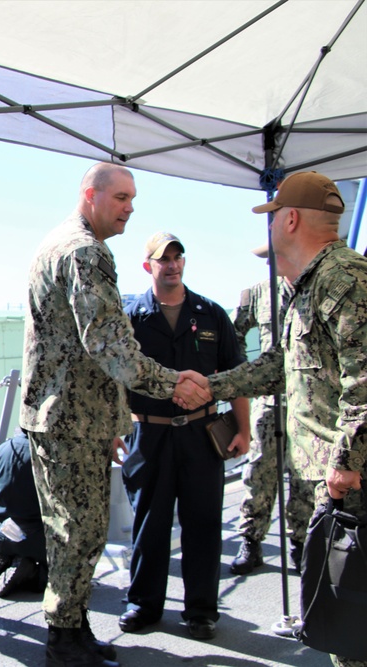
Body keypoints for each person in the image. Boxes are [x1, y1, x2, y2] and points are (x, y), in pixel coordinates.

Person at [20, 161, 213, 667]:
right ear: (91, 194)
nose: (130, 209)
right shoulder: (85, 251)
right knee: (76, 532)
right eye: (122, 198)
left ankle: (73, 626)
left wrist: (111, 421)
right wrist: (176, 383)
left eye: (133, 199)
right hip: (68, 421)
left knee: (78, 531)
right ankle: (63, 641)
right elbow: (110, 347)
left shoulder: (60, 243)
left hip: (72, 417)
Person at [205, 171, 365, 667]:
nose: (268, 229)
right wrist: (212, 387)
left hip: (349, 484)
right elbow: (282, 364)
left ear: (290, 218)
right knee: (342, 625)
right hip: (331, 482)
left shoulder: (346, 280)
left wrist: (344, 468)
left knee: (355, 625)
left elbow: (365, 385)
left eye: (271, 218)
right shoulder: (309, 287)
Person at [118, 232, 249, 641]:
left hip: (200, 434)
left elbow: (236, 372)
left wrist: (244, 428)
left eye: (177, 257)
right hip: (148, 435)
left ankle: (201, 611)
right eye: (163, 259)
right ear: (148, 267)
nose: (172, 264)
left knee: (204, 524)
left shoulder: (210, 313)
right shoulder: (128, 316)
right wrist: (111, 431)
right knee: (149, 524)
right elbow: (110, 379)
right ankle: (143, 604)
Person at [229, 247, 316, 576]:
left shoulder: (308, 288)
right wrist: (246, 374)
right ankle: (251, 540)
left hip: (305, 401)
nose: (274, 262)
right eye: (270, 257)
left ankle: (301, 541)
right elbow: (233, 335)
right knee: (258, 471)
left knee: (303, 475)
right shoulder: (257, 293)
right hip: (268, 402)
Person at [0, 432, 49, 599]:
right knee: (61, 573)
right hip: (35, 539)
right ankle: (35, 573)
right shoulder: (47, 452)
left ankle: (10, 557)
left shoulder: (3, 448)